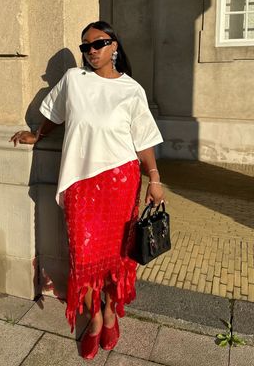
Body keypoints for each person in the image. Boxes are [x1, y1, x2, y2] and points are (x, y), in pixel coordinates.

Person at [10, 21, 165, 359]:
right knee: (84, 257)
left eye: (99, 43)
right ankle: (94, 318)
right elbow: (56, 114)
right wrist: (38, 135)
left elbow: (143, 140)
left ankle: (111, 312)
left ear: (115, 47)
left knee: (116, 256)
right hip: (81, 183)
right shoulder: (73, 81)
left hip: (120, 182)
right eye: (86, 46)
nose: (92, 51)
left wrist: (153, 177)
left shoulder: (131, 90)